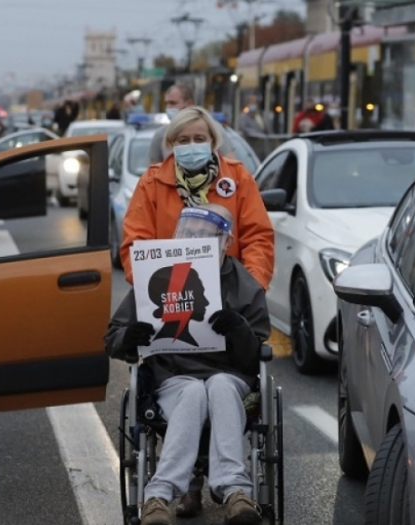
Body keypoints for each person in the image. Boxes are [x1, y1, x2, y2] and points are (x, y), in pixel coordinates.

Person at [106, 204, 269, 525]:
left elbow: (255, 359)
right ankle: (158, 496)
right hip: (173, 377)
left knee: (219, 385)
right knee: (193, 390)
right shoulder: (159, 273)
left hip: (229, 375)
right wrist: (129, 336)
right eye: (188, 233)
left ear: (225, 242)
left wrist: (239, 330)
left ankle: (235, 490)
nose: (194, 241)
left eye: (204, 236)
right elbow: (111, 338)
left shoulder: (244, 285)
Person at [124, 106, 274, 291]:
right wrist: (156, 289)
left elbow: (258, 238)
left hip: (231, 295)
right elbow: (135, 244)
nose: (192, 145)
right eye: (184, 140)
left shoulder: (238, 178)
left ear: (213, 142)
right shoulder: (151, 183)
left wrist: (250, 288)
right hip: (169, 297)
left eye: (200, 139)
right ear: (172, 144)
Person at [148, 84, 235, 164]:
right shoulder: (161, 134)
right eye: (183, 141)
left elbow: (230, 163)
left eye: (173, 103)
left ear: (189, 103)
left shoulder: (213, 128)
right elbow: (153, 172)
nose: (168, 107)